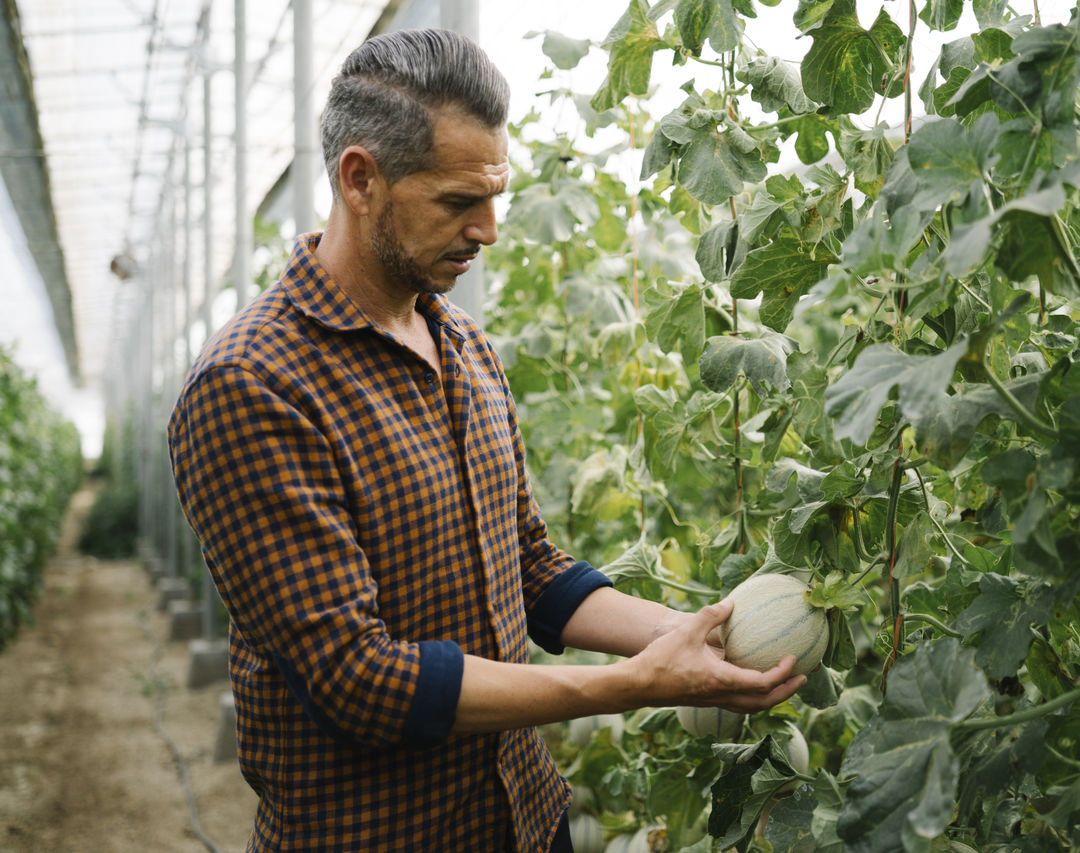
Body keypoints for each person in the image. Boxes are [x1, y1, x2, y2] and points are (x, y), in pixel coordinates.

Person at [167, 28, 803, 853]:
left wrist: (691, 634)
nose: (490, 229)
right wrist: (630, 685)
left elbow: (531, 568)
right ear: (361, 179)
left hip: (526, 821)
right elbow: (359, 679)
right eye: (459, 202)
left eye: (496, 195)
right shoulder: (251, 386)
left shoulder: (463, 347)